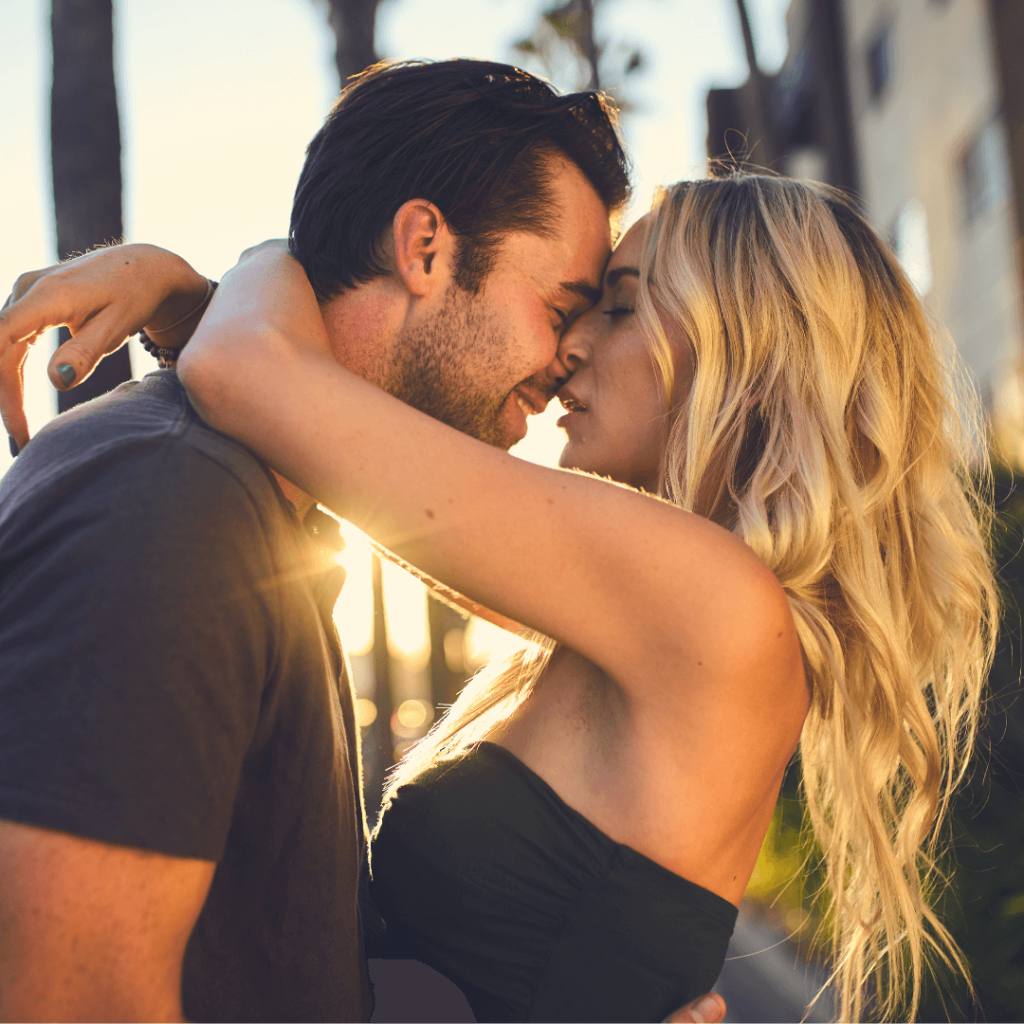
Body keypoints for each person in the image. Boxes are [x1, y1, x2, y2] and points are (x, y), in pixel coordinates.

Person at [15, 172, 999, 1020]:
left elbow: (248, 373)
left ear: (747, 341)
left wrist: (264, 263)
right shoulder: (646, 614)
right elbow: (310, 429)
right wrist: (200, 308)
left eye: (618, 303)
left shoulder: (709, 602)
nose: (569, 345)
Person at [0, 59, 727, 1023]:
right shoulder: (175, 505)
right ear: (424, 246)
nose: (566, 362)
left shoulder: (253, 503)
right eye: (561, 309)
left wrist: (207, 298)